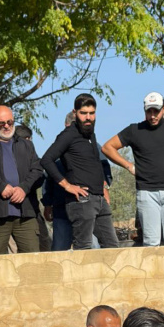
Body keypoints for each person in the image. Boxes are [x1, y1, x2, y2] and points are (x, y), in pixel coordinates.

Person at [102, 92, 164, 246]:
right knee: (151, 243)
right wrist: (129, 166)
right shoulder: (135, 130)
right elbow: (107, 147)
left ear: (163, 109)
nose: (153, 116)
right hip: (147, 193)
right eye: (149, 111)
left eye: (156, 111)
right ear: (144, 110)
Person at [41, 94, 119, 250]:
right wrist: (67, 186)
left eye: (91, 113)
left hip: (99, 198)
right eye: (83, 113)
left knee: (112, 247)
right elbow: (46, 160)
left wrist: (103, 188)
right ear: (75, 113)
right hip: (81, 201)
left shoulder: (90, 134)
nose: (88, 117)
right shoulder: (68, 134)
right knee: (83, 248)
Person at [0, 115, 46, 254]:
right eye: (2, 123)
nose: (6, 126)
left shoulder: (27, 145)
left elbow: (38, 171)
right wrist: (0, 186)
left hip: (26, 214)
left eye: (9, 122)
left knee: (33, 260)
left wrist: (24, 188)